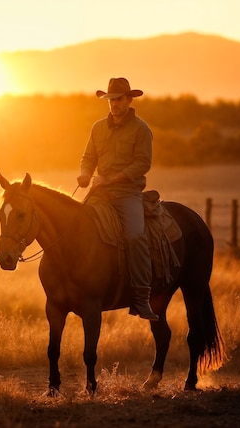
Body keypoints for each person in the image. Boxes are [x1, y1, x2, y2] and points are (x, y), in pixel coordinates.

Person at [77, 77, 158, 321]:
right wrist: (84, 173)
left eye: (119, 99)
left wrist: (110, 179)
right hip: (100, 192)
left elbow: (142, 164)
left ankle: (142, 297)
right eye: (110, 100)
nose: (114, 104)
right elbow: (88, 156)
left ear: (129, 100)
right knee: (77, 226)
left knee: (135, 235)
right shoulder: (98, 127)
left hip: (127, 194)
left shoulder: (141, 129)